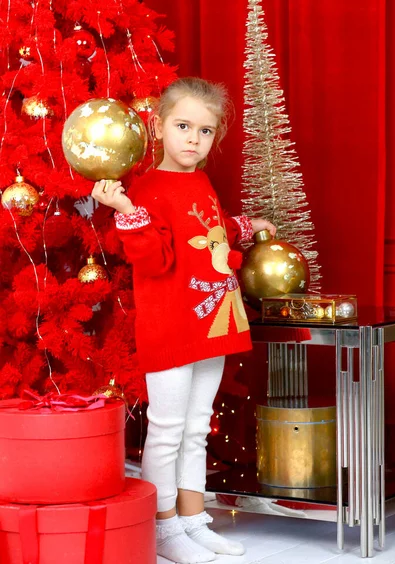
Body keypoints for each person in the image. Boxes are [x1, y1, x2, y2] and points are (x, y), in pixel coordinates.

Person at [92, 77, 276, 564]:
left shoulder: (199, 181)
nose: (194, 139)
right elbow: (154, 261)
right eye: (183, 126)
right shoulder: (147, 190)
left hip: (211, 321)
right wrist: (128, 211)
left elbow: (206, 229)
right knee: (168, 428)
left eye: (206, 131)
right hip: (172, 327)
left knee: (197, 429)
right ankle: (163, 527)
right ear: (158, 126)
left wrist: (243, 227)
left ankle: (194, 520)